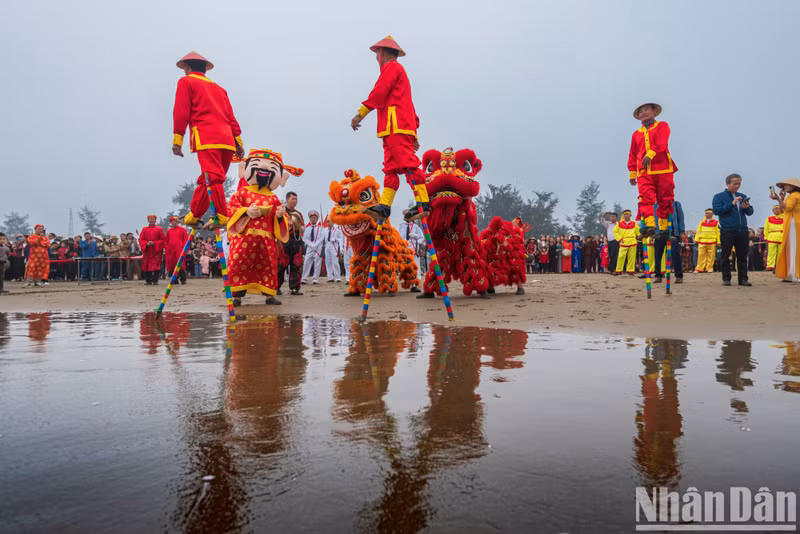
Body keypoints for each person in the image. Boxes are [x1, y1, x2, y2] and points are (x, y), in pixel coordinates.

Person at [350, 36, 428, 222]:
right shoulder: (398, 71)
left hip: (395, 126)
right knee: (391, 169)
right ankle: (384, 206)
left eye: (377, 53)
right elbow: (409, 106)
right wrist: (413, 133)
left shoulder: (392, 67)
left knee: (408, 165)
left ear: (382, 53)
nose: (377, 57)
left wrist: (360, 113)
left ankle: (423, 202)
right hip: (393, 128)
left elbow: (379, 92)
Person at [172, 52, 244, 226]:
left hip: (207, 137)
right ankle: (194, 215)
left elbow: (181, 111)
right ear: (205, 69)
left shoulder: (186, 81)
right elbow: (231, 116)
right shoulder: (220, 89)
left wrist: (177, 139)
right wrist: (238, 142)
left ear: (187, 68)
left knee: (212, 178)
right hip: (226, 140)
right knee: (210, 180)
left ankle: (222, 215)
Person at [226, 148, 300, 305]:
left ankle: (269, 294)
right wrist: (246, 211)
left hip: (266, 240)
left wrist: (280, 215)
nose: (265, 169)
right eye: (258, 165)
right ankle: (237, 295)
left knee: (268, 266)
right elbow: (231, 209)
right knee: (240, 264)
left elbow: (283, 218)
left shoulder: (274, 198)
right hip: (244, 238)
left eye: (271, 167)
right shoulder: (242, 193)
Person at [628, 102, 677, 237]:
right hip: (643, 171)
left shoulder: (663, 126)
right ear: (638, 117)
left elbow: (662, 142)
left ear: (654, 112)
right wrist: (632, 173)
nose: (643, 112)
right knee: (645, 197)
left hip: (663, 169)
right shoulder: (636, 134)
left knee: (665, 199)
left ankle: (664, 229)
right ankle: (649, 225)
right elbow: (632, 154)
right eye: (640, 111)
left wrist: (650, 154)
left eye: (646, 110)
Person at [712, 173, 754, 286]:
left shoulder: (742, 195)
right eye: (734, 183)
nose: (737, 186)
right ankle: (726, 278)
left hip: (742, 230)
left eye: (739, 183)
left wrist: (747, 207)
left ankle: (743, 279)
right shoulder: (719, 197)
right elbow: (716, 210)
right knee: (725, 256)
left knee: (742, 256)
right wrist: (731, 204)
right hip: (727, 230)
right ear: (727, 184)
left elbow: (750, 212)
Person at [771, 177, 800, 283]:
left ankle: (794, 273)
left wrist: (778, 199)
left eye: (786, 185)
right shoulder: (791, 196)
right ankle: (791, 273)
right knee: (791, 248)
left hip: (794, 224)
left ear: (793, 186)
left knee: (793, 248)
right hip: (791, 223)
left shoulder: (795, 196)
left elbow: (787, 208)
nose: (784, 187)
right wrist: (781, 198)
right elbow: (780, 210)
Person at [653, 200, 686, 283]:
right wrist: (652, 233)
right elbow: (653, 219)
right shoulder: (656, 205)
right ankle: (658, 275)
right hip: (659, 232)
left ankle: (678, 276)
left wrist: (681, 231)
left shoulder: (676, 204)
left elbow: (680, 218)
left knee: (675, 253)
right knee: (657, 254)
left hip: (673, 232)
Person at [139, 214, 166, 285]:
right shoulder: (144, 229)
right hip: (147, 251)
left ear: (155, 220)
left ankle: (155, 280)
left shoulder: (159, 229)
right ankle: (148, 280)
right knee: (146, 265)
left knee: (156, 265)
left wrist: (154, 243)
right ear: (148, 220)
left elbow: (162, 240)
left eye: (153, 219)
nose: (152, 221)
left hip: (155, 251)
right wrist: (146, 244)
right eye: (150, 219)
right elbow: (141, 239)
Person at [398, 213, 425, 279]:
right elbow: (399, 237)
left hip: (414, 248)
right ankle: (408, 279)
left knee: (416, 264)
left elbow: (422, 238)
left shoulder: (416, 227)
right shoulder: (401, 226)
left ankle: (417, 279)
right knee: (406, 266)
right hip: (404, 249)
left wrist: (416, 239)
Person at [614, 210, 640, 275]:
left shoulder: (634, 224)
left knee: (632, 257)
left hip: (632, 241)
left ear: (630, 215)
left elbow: (638, 232)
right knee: (620, 256)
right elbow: (615, 232)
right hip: (623, 241)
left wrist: (641, 236)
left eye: (627, 214)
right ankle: (619, 270)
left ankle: (630, 271)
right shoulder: (619, 223)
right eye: (624, 214)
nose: (626, 215)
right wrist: (619, 239)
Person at [165, 216, 189, 284]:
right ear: (171, 223)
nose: (174, 223)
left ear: (177, 222)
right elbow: (167, 241)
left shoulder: (182, 230)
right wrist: (167, 248)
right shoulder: (169, 231)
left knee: (181, 264)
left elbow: (186, 240)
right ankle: (174, 280)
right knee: (172, 265)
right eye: (172, 222)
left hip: (180, 250)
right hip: (171, 251)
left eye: (175, 221)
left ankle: (183, 279)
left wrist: (185, 249)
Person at [301, 210, 323, 284]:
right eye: (311, 218)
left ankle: (315, 279)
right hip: (309, 248)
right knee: (306, 263)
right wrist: (311, 245)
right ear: (309, 219)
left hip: (317, 248)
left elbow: (322, 238)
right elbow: (305, 239)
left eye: (314, 217)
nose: (313, 219)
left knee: (317, 264)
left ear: (317, 219)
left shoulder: (320, 228)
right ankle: (304, 279)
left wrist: (316, 244)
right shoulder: (307, 229)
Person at [322, 218, 343, 282]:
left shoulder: (337, 230)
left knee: (335, 262)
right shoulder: (324, 230)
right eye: (327, 222)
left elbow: (341, 239)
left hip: (334, 246)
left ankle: (337, 278)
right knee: (328, 262)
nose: (328, 223)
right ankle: (330, 277)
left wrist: (335, 239)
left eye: (330, 221)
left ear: (333, 222)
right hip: (327, 246)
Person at [764, 205, 785, 272]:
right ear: (773, 210)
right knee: (771, 253)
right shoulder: (769, 218)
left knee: (780, 253)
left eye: (778, 209)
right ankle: (770, 266)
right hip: (772, 236)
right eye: (775, 209)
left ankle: (779, 266)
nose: (777, 210)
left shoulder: (783, 217)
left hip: (781, 236)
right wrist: (766, 237)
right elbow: (766, 228)